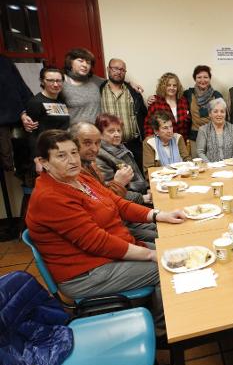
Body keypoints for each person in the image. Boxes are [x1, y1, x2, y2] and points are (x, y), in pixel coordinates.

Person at [25, 129, 186, 337]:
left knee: (175, 253)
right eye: (61, 155)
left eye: (74, 152)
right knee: (166, 266)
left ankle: (162, 315)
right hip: (84, 273)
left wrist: (159, 215)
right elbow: (98, 242)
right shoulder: (50, 197)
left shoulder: (79, 175)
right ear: (43, 162)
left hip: (105, 255)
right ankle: (161, 331)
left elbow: (117, 203)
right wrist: (151, 254)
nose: (72, 160)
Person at [72, 122, 157, 243]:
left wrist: (156, 214)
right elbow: (103, 206)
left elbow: (111, 200)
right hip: (112, 229)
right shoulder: (76, 173)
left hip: (121, 218)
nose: (95, 148)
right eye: (87, 143)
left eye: (97, 143)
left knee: (163, 228)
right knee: (161, 238)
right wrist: (119, 184)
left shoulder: (91, 163)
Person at [99, 58, 147, 168]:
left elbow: (144, 115)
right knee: (116, 180)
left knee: (139, 179)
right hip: (108, 146)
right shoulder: (99, 89)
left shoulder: (133, 92)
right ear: (108, 69)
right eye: (115, 68)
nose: (118, 72)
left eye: (122, 70)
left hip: (134, 145)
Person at [94, 113, 150, 205]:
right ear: (100, 134)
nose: (117, 134)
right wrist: (141, 198)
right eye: (111, 131)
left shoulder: (120, 147)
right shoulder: (100, 157)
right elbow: (110, 192)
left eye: (119, 130)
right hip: (129, 204)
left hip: (140, 195)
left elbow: (137, 176)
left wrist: (148, 189)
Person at [25, 67, 69, 183]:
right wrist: (37, 160)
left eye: (59, 81)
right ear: (42, 81)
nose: (55, 84)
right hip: (45, 155)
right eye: (51, 80)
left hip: (60, 153)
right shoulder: (35, 102)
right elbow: (32, 133)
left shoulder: (61, 101)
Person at [183, 65, 224, 157]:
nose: (202, 80)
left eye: (206, 77)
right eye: (199, 77)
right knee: (197, 164)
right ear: (194, 79)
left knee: (214, 164)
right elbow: (172, 97)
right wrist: (152, 98)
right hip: (195, 137)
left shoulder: (216, 95)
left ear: (210, 79)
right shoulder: (188, 94)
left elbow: (224, 117)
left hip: (214, 136)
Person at [61, 48, 104, 124]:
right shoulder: (60, 82)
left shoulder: (95, 80)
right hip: (74, 133)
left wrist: (129, 85)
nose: (85, 65)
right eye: (80, 61)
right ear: (70, 62)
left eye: (88, 63)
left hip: (96, 132)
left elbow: (114, 83)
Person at [144, 72, 190, 141]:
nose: (172, 88)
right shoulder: (156, 103)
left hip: (182, 143)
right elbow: (148, 126)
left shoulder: (184, 101)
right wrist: (151, 143)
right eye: (168, 85)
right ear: (163, 86)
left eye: (174, 85)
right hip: (163, 144)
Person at [196, 98, 233, 162]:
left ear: (225, 114)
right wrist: (210, 165)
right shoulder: (203, 130)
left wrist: (230, 163)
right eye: (215, 111)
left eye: (222, 111)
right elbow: (200, 152)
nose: (219, 114)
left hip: (231, 167)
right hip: (210, 168)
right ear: (210, 114)